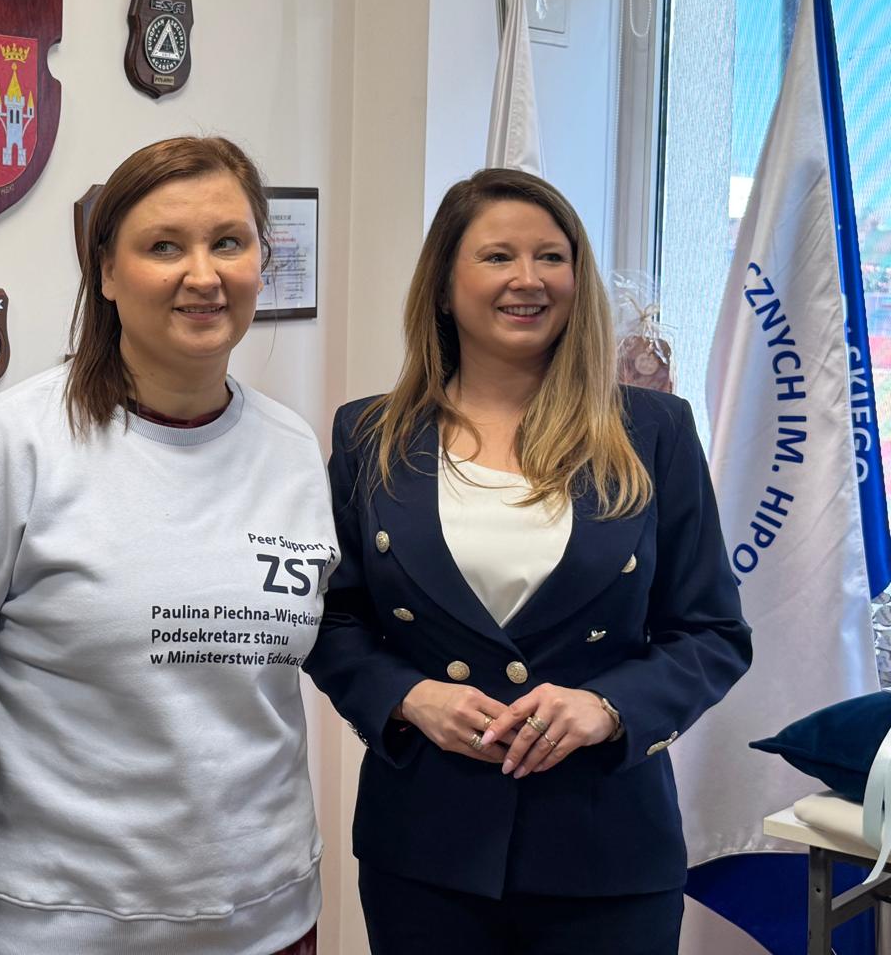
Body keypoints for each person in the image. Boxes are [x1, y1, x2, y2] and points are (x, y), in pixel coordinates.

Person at [305, 167, 751, 955]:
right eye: (497, 256)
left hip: (608, 848)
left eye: (552, 257)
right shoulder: (369, 436)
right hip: (427, 848)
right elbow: (332, 619)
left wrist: (609, 706)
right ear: (444, 287)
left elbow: (712, 632)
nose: (529, 279)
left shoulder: (654, 432)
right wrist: (408, 696)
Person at [0, 136, 330, 955]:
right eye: (164, 247)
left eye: (229, 242)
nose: (203, 276)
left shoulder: (292, 449)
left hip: (268, 918)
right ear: (106, 272)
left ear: (262, 260)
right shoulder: (15, 445)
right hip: (57, 924)